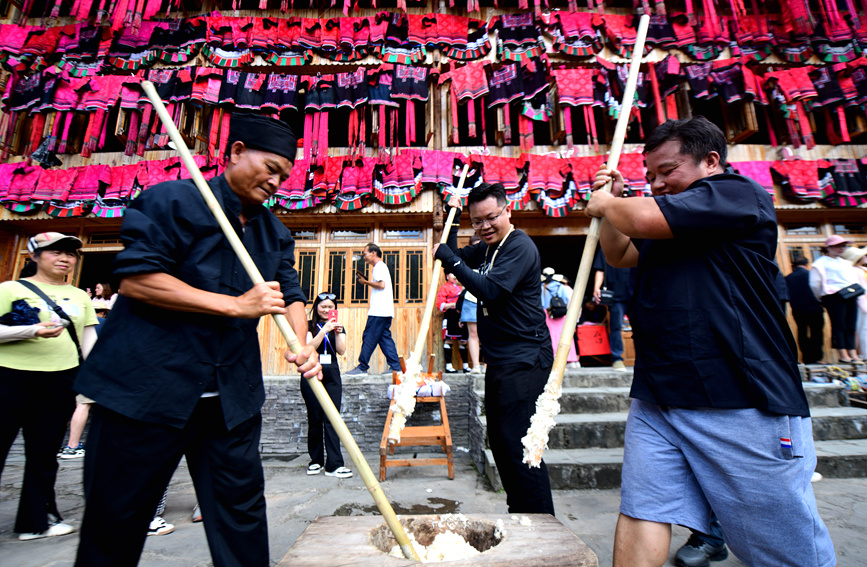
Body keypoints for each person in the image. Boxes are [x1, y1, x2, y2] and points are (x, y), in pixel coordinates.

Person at [73, 114, 321, 567]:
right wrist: (234, 306)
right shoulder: (172, 200)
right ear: (235, 150)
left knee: (242, 519)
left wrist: (301, 344)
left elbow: (290, 296)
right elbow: (138, 281)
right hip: (145, 394)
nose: (276, 181)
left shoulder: (274, 232)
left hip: (229, 403)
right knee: (116, 520)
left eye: (283, 176)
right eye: (269, 167)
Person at [588, 116, 835, 567]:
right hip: (660, 392)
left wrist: (607, 202)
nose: (658, 184)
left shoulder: (737, 194)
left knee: (779, 541)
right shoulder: (663, 223)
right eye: (650, 176)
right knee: (644, 508)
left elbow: (639, 217)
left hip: (741, 394)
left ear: (711, 161)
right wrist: (614, 204)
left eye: (668, 171)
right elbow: (619, 252)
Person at [434, 183, 555, 515]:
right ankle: (520, 512)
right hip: (500, 359)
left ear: (508, 210)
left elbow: (490, 290)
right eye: (477, 221)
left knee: (520, 443)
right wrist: (453, 215)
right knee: (501, 443)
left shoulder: (519, 246)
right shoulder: (487, 248)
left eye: (491, 217)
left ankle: (542, 522)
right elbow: (452, 256)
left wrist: (451, 260)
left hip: (527, 356)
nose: (484, 226)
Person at [0, 232, 98, 540]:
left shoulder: (80, 296)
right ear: (35, 256)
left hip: (60, 378)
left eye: (70, 254)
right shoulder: (10, 288)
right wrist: (30, 330)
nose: (64, 258)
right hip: (10, 376)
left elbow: (89, 341)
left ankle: (36, 520)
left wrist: (98, 378)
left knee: (43, 453)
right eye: (55, 252)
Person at [303, 292, 352, 478]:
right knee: (314, 418)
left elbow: (341, 350)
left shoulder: (338, 327)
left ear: (335, 309)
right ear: (316, 307)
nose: (326, 309)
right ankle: (315, 461)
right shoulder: (309, 326)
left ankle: (334, 464)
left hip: (331, 373)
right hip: (312, 373)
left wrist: (337, 332)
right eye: (323, 306)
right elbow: (309, 348)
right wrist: (323, 330)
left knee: (332, 418)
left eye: (330, 307)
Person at [58, 300, 109, 460]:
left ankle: (58, 442)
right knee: (83, 405)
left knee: (66, 406)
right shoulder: (105, 324)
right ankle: (73, 445)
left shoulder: (72, 322)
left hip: (68, 367)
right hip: (90, 369)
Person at [345, 243, 402, 375]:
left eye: (365, 254)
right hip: (384, 311)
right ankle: (395, 366)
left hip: (379, 311)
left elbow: (381, 285)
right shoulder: (381, 267)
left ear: (373, 253)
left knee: (369, 336)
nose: (363, 257)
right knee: (384, 338)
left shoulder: (379, 266)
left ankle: (362, 367)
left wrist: (365, 282)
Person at [811, 235, 863, 363]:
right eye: (838, 245)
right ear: (829, 247)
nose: (842, 248)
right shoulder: (820, 262)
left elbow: (853, 279)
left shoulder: (845, 262)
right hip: (833, 296)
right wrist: (821, 296)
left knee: (851, 324)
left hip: (850, 294)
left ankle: (852, 352)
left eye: (844, 246)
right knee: (839, 325)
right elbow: (814, 283)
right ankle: (843, 353)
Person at [592, 250, 634, 371]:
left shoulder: (636, 240)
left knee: (642, 327)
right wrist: (596, 287)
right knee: (615, 327)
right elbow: (600, 269)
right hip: (616, 295)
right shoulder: (605, 248)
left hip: (636, 293)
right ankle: (617, 358)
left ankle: (644, 357)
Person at [786, 257, 826, 365]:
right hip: (814, 307)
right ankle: (817, 358)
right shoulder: (810, 275)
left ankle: (806, 358)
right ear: (807, 264)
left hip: (798, 309)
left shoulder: (788, 278)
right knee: (816, 333)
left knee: (802, 332)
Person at [541, 270, 579, 368]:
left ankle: (554, 359)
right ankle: (570, 359)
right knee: (566, 337)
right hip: (561, 314)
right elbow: (568, 300)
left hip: (547, 314)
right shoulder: (561, 287)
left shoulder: (541, 287)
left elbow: (540, 303)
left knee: (551, 338)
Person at [436, 273, 469, 373]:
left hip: (463, 314)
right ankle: (449, 365)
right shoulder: (445, 287)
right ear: (447, 276)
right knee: (449, 340)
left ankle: (465, 365)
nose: (454, 276)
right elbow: (441, 305)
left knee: (463, 341)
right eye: (452, 274)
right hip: (451, 314)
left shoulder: (463, 285)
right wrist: (455, 304)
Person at [460, 234, 483, 374]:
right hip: (470, 300)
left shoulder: (492, 258)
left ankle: (487, 365)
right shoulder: (466, 261)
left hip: (488, 300)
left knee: (489, 334)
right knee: (473, 334)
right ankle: (476, 365)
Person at [842, 246, 867, 361]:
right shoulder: (854, 271)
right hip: (861, 303)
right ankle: (864, 354)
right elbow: (860, 289)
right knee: (862, 330)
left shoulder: (862, 269)